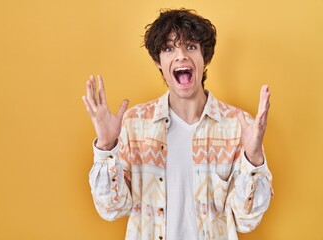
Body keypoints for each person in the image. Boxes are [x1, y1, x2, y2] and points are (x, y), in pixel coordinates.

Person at [82, 8, 273, 240]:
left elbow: (246, 221)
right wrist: (105, 146)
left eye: (191, 46)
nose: (181, 56)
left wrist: (253, 160)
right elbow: (111, 209)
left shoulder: (238, 126)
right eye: (169, 48)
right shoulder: (135, 124)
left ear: (206, 57)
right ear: (158, 62)